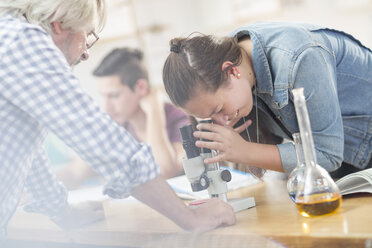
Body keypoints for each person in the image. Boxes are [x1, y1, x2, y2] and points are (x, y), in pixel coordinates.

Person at [0, 0, 235, 237]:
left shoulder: (9, 38)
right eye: (87, 33)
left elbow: (27, 145)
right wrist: (189, 218)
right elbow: (101, 141)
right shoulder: (22, 41)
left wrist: (62, 212)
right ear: (58, 23)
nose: (86, 52)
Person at [162, 21, 372, 179]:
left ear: (231, 71)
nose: (223, 120)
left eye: (218, 108)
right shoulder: (230, 59)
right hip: (347, 163)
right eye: (210, 116)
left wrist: (245, 151)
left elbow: (327, 154)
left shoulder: (300, 58)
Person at [56, 48, 188, 188]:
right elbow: (75, 173)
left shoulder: (178, 117)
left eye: (113, 96)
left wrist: (154, 111)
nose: (107, 107)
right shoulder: (116, 126)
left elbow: (166, 171)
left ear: (141, 87)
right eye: (104, 96)